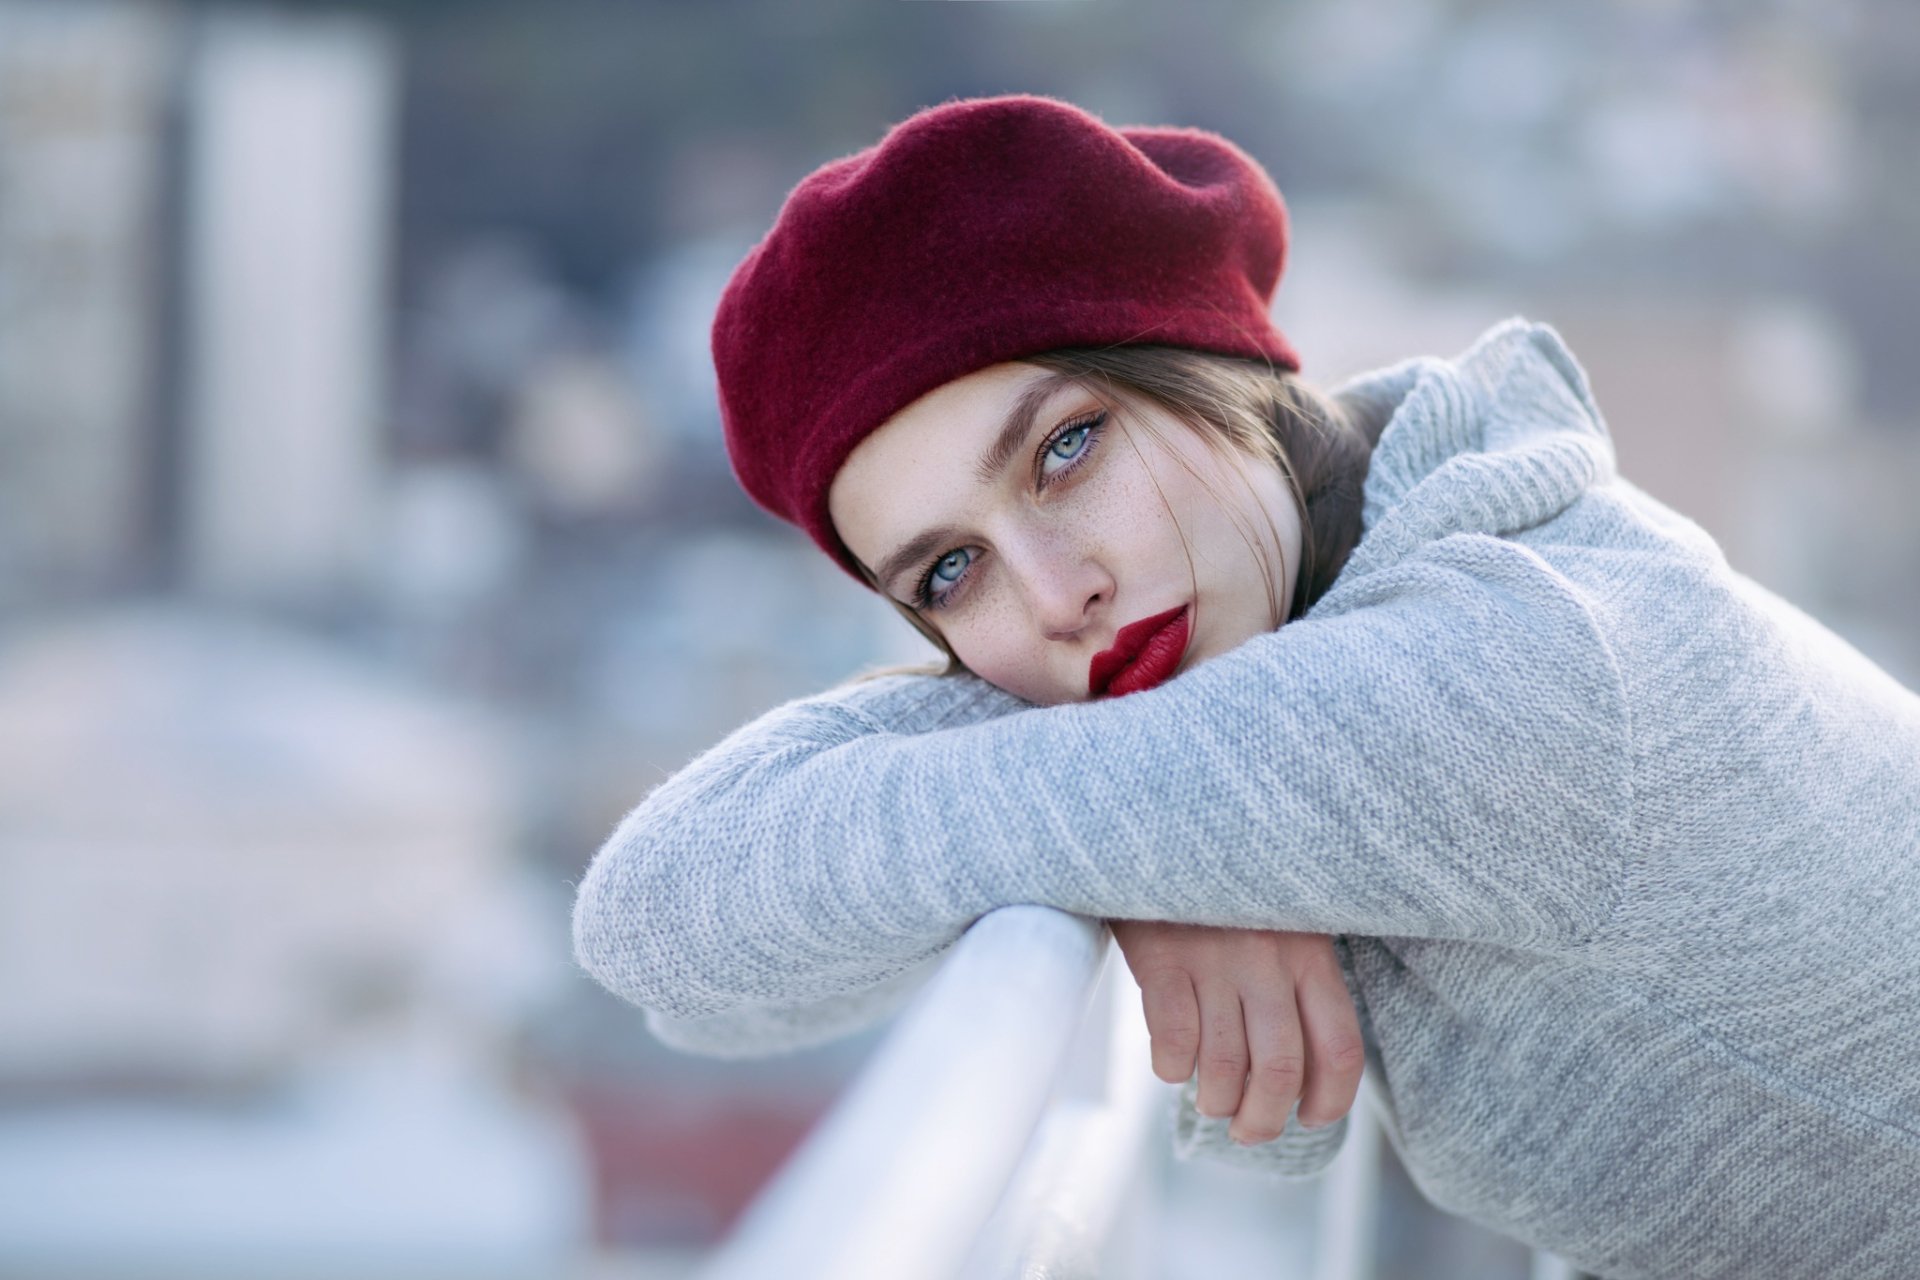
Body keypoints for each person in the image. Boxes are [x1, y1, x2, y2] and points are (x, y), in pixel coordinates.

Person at [572, 94, 1920, 1277]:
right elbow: (673, 953)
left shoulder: (1514, 660)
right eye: (950, 573)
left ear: (1211, 365)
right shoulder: (1329, 598)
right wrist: (1155, 839)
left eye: (1067, 448)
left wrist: (1138, 826)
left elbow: (658, 924)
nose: (1055, 597)